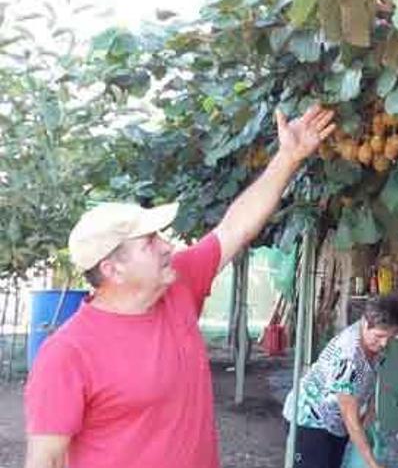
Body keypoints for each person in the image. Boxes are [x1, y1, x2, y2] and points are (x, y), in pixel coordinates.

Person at [23, 105, 336, 468]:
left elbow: (234, 228)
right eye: (149, 243)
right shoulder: (68, 354)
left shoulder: (177, 286)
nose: (167, 246)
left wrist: (288, 157)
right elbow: (44, 460)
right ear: (113, 269)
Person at [284, 294, 398, 468]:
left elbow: (373, 375)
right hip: (310, 420)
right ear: (366, 323)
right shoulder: (348, 357)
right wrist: (373, 464)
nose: (384, 343)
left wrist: (370, 410)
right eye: (380, 336)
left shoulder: (375, 344)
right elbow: (350, 417)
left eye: (391, 336)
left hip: (335, 423)